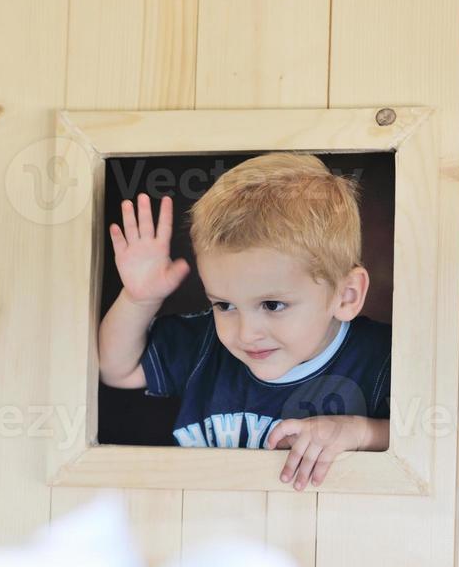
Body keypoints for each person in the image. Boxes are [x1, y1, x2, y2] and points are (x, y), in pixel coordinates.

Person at [98, 152, 391, 492]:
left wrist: (362, 431)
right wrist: (139, 300)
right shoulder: (205, 345)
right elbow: (116, 369)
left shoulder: (381, 358)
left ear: (347, 295)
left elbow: (440, 440)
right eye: (224, 305)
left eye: (272, 304)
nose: (245, 333)